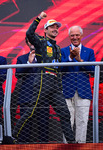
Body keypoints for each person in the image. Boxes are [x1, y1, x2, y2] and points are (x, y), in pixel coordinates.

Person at [15, 11, 75, 143]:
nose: (55, 29)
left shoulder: (58, 48)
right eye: (52, 27)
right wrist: (38, 18)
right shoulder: (41, 42)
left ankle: (71, 142)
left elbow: (59, 67)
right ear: (46, 29)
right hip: (43, 79)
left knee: (65, 114)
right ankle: (14, 137)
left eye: (57, 27)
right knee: (31, 112)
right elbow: (29, 34)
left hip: (55, 83)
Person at [61, 26, 95, 143]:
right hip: (66, 91)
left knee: (82, 121)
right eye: (72, 35)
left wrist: (80, 60)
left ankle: (80, 146)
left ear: (81, 36)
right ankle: (67, 146)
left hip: (83, 91)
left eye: (77, 35)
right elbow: (59, 69)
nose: (74, 37)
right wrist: (70, 58)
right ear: (69, 37)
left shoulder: (89, 52)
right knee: (67, 120)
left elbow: (93, 71)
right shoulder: (63, 51)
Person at [12, 36, 39, 143]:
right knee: (25, 128)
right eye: (30, 41)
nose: (32, 42)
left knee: (43, 128)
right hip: (26, 98)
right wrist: (28, 63)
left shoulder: (46, 57)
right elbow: (18, 74)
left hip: (42, 97)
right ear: (27, 43)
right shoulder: (22, 59)